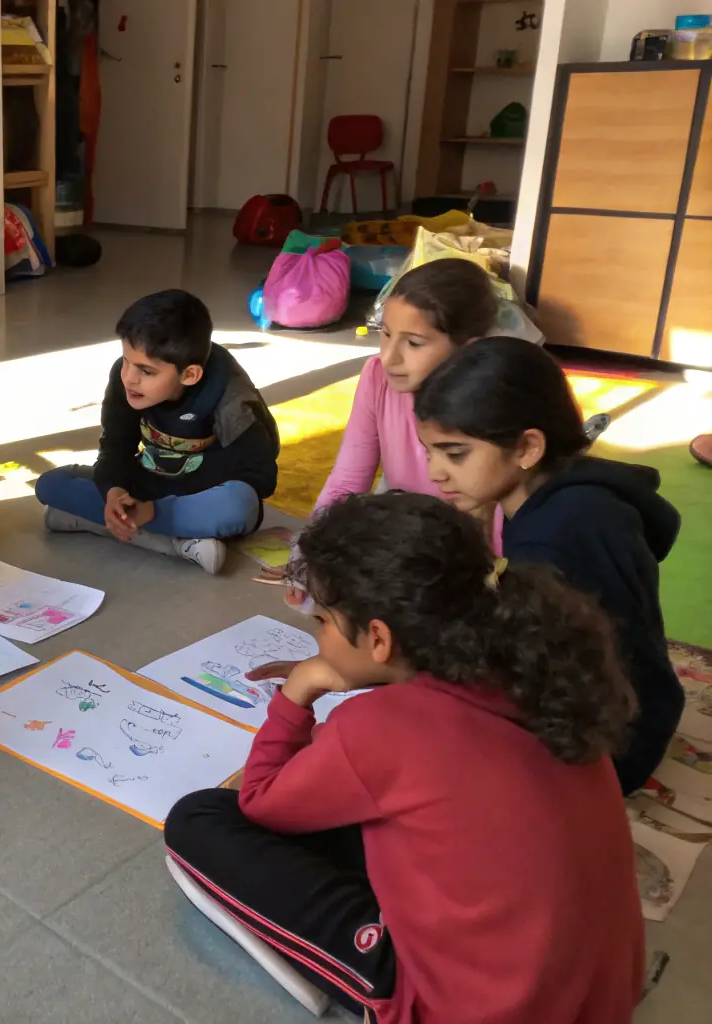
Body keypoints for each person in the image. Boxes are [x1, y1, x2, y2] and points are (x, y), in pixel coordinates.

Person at [165, 492, 643, 1024]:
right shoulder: (538, 674)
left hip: (461, 1007)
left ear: (378, 638)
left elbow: (259, 802)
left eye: (322, 619)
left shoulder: (382, 726)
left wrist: (297, 692)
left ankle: (373, 988)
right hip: (599, 995)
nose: (316, 634)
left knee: (200, 818)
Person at [415, 337, 684, 794]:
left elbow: (542, 675)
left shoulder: (552, 536)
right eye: (430, 452)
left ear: (527, 448)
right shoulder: (576, 494)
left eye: (455, 453)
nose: (435, 472)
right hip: (638, 710)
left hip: (611, 748)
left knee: (421, 733)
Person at [34, 289, 279, 574]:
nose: (129, 377)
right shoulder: (125, 378)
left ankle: (99, 523)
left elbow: (262, 476)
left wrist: (156, 510)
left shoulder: (230, 396)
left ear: (189, 375)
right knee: (50, 484)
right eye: (125, 360)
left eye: (146, 371)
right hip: (147, 484)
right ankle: (179, 542)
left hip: (199, 495)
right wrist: (114, 492)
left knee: (239, 506)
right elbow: (115, 446)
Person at [314, 259, 496, 512]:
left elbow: (497, 527)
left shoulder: (496, 402)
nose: (389, 357)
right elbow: (346, 485)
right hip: (410, 529)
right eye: (386, 334)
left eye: (414, 343)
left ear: (467, 349)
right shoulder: (377, 376)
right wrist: (311, 546)